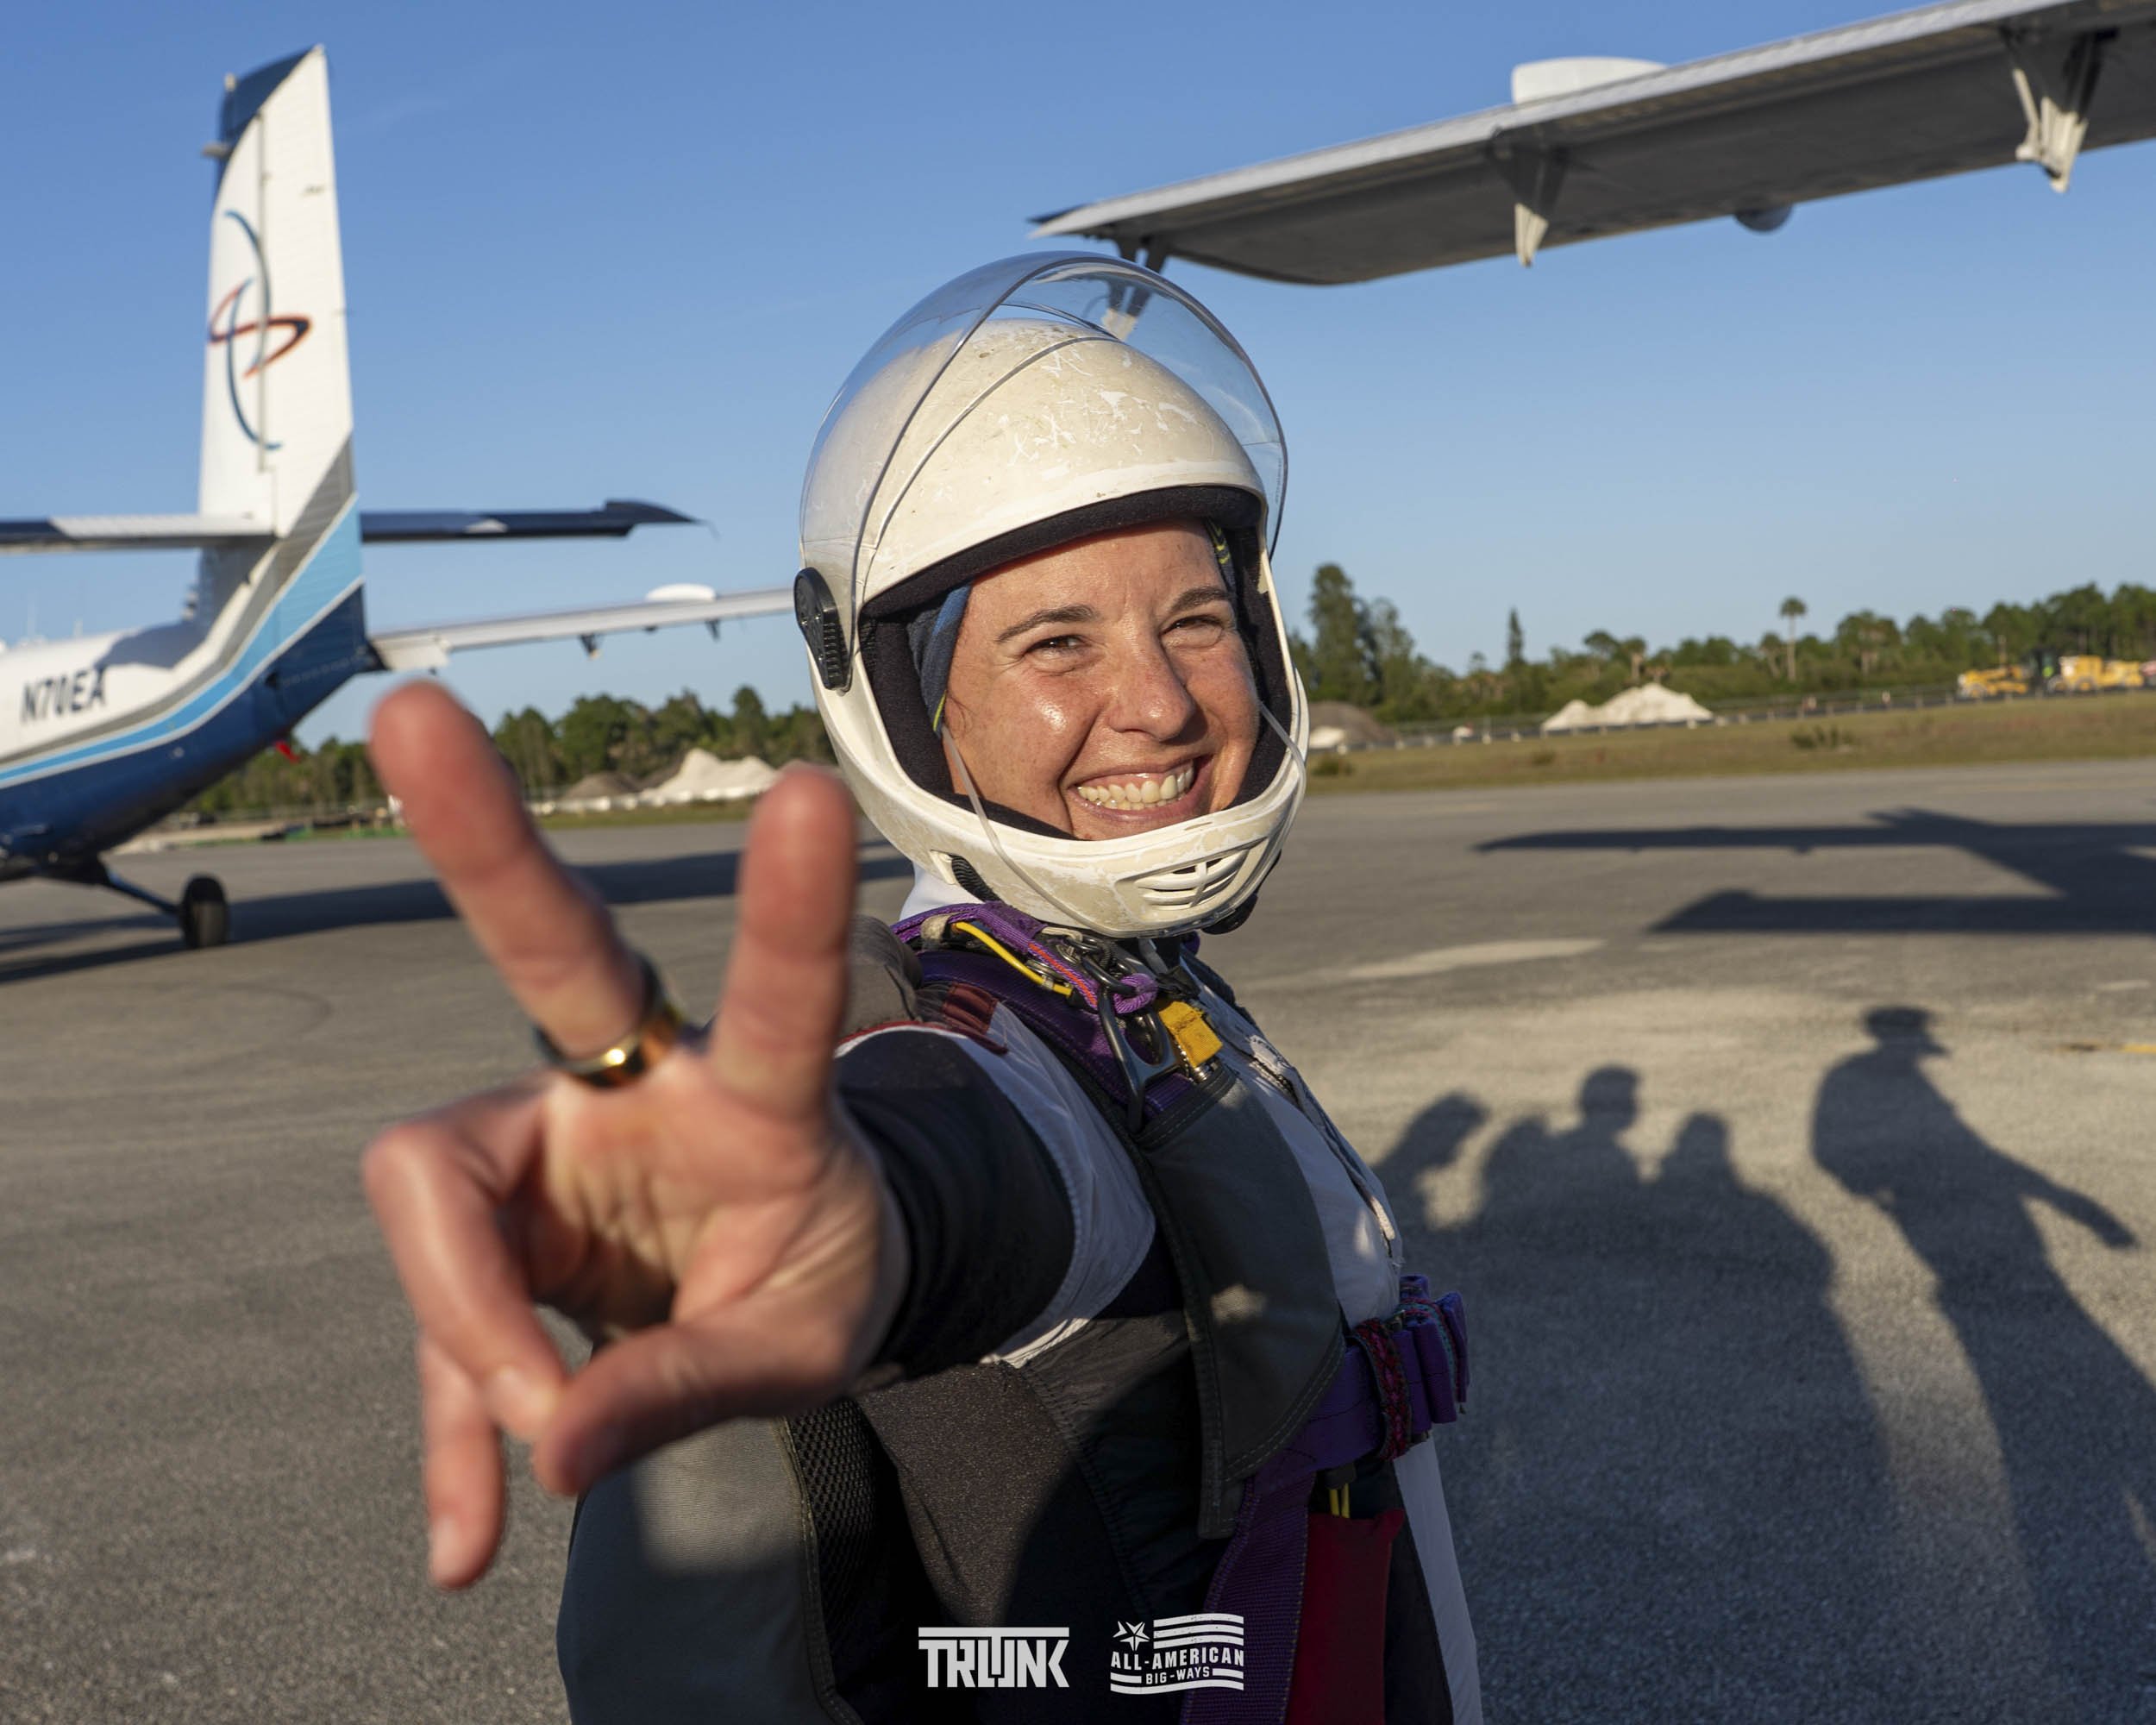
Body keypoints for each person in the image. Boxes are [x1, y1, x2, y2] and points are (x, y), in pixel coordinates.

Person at [362, 254, 1479, 1724]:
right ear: (912, 703)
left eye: (1193, 621)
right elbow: (951, 1168)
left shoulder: (1128, 990)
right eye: (1056, 642)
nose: (1157, 701)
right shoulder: (986, 1043)